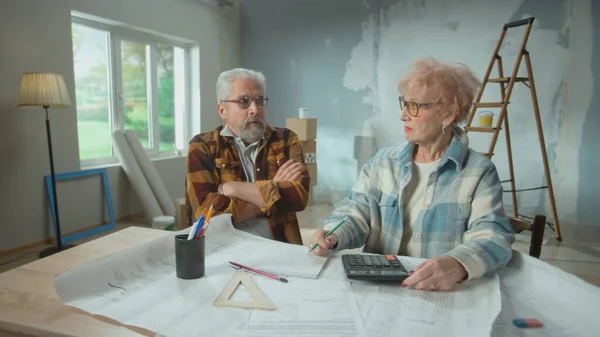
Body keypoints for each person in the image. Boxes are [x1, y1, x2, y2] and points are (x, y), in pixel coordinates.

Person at [309, 57, 515, 290]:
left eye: (414, 106)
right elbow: (356, 214)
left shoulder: (479, 172)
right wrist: (332, 232)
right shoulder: (383, 162)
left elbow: (493, 236)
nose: (403, 115)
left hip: (435, 292)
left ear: (448, 113)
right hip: (379, 290)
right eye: (404, 103)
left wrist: (458, 263)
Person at [185, 68, 310, 244]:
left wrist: (233, 188)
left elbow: (298, 197)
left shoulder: (285, 139)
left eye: (260, 100)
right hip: (224, 250)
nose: (255, 110)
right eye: (243, 101)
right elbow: (206, 212)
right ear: (222, 110)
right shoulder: (203, 146)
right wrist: (272, 195)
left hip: (279, 246)